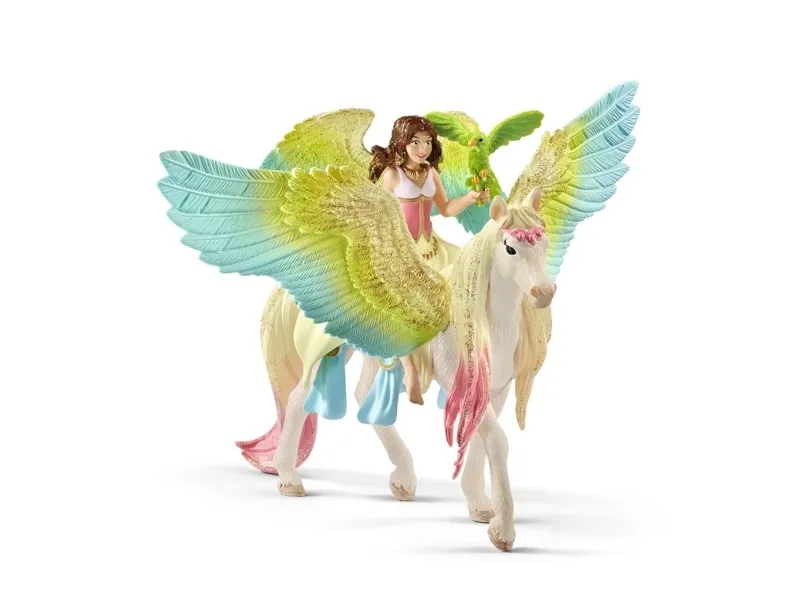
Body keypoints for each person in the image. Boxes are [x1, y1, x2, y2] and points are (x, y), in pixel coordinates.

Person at [368, 115, 489, 405]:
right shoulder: (392, 175)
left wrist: (470, 198)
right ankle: (410, 369)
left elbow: (445, 209)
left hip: (432, 247)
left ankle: (458, 362)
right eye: (415, 142)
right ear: (402, 143)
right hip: (402, 250)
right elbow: (375, 215)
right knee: (403, 305)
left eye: (427, 143)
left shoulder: (430, 172)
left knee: (466, 275)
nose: (422, 149)